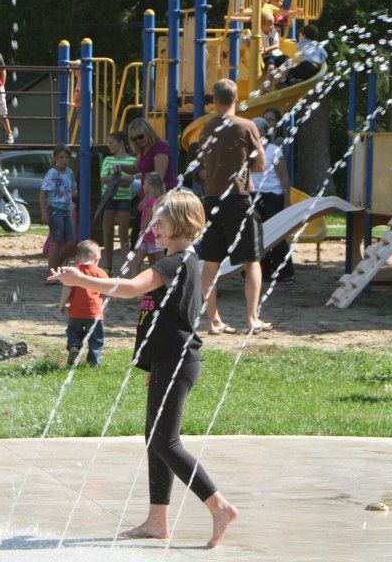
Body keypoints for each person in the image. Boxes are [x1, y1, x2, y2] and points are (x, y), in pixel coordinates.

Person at [48, 192, 239, 549]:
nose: (154, 226)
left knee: (166, 441)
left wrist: (82, 281)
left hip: (177, 361)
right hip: (169, 361)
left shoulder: (175, 262)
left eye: (160, 220)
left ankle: (219, 506)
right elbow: (171, 318)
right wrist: (153, 364)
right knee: (157, 440)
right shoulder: (181, 261)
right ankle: (156, 520)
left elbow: (132, 288)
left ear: (181, 222)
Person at [199, 79, 270, 335]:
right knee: (251, 261)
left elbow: (202, 163)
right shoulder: (246, 125)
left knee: (210, 263)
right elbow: (260, 164)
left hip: (212, 198)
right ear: (236, 98)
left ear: (215, 100)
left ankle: (213, 321)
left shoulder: (207, 128)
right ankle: (252, 318)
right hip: (239, 197)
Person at [251, 117, 294, 285]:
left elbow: (284, 177)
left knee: (277, 235)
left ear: (264, 132)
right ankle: (262, 272)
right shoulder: (247, 150)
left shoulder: (274, 151)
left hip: (273, 196)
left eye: (257, 130)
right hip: (254, 195)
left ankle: (285, 272)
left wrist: (287, 200)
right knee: (255, 236)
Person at [58, 239, 108, 366]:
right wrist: (113, 295)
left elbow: (67, 288)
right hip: (94, 313)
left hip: (75, 312)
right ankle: (94, 362)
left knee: (74, 331)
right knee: (95, 338)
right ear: (97, 259)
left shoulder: (74, 272)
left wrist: (62, 304)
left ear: (77, 257)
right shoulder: (100, 272)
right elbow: (109, 288)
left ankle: (74, 346)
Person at [100, 131, 137, 274]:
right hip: (109, 199)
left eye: (111, 142)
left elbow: (131, 179)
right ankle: (108, 267)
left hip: (124, 199)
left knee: (123, 235)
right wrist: (120, 177)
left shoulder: (132, 160)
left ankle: (127, 267)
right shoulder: (108, 159)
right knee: (108, 233)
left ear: (121, 143)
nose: (109, 145)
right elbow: (103, 178)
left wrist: (117, 177)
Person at [40, 144, 76, 272]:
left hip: (66, 210)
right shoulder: (52, 173)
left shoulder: (69, 172)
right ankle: (52, 271)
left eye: (66, 157)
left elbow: (71, 191)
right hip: (55, 209)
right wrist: (44, 212)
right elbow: (43, 193)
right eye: (61, 157)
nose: (64, 160)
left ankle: (57, 265)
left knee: (71, 241)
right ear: (55, 158)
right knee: (57, 240)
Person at [123, 118, 176, 193]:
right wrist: (120, 167)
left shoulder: (160, 147)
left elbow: (158, 178)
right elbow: (134, 169)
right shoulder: (143, 149)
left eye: (140, 136)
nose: (138, 140)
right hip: (149, 193)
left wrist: (148, 198)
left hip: (162, 193)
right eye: (134, 139)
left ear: (148, 132)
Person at [128, 172, 165, 275]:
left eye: (144, 184)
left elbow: (147, 223)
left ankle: (166, 282)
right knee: (142, 262)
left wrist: (140, 236)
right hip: (150, 238)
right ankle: (138, 283)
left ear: (150, 186)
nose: (143, 186)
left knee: (160, 264)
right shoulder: (155, 201)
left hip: (151, 239)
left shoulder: (151, 203)